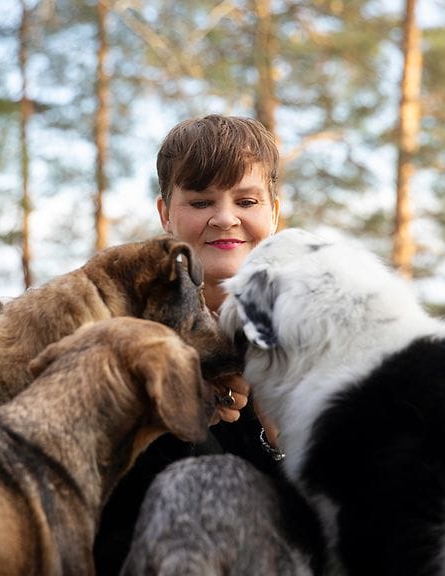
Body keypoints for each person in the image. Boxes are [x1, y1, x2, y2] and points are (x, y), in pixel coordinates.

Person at [93, 114, 286, 574]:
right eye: (201, 201)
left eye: (247, 200)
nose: (225, 218)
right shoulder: (115, 331)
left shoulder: (310, 335)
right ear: (165, 214)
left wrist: (283, 436)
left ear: (274, 212)